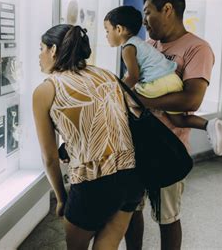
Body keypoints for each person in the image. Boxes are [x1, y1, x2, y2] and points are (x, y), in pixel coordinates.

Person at [122, 0, 222, 250]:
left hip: (168, 148)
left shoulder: (198, 49)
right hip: (136, 144)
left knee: (167, 218)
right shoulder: (148, 45)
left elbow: (192, 99)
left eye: (148, 13)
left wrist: (144, 100)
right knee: (131, 210)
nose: (144, 21)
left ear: (168, 10)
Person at [32, 24, 145, 250]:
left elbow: (50, 158)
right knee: (108, 244)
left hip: (92, 183)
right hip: (131, 175)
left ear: (53, 50)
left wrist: (62, 198)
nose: (39, 54)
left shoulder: (46, 90)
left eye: (41, 48)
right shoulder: (107, 75)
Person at [103, 5, 222, 156]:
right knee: (179, 119)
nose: (106, 35)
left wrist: (117, 91)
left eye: (107, 31)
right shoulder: (145, 43)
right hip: (171, 80)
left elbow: (133, 76)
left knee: (131, 98)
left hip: (157, 85)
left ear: (119, 29)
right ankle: (209, 124)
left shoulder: (128, 48)